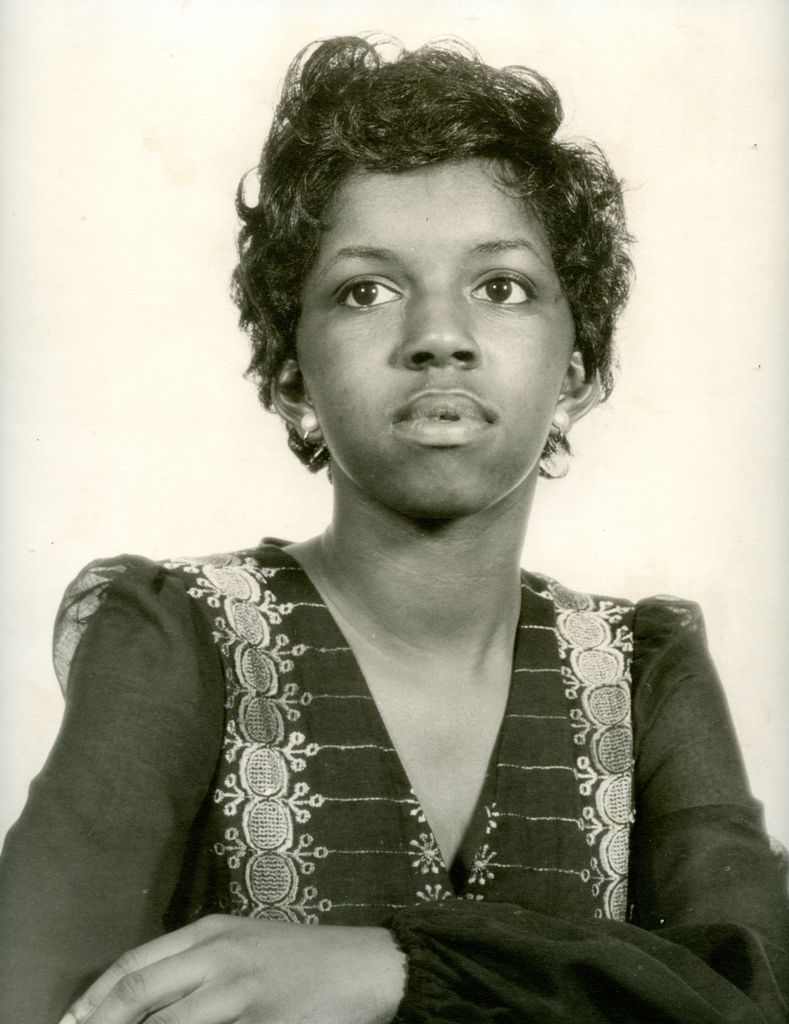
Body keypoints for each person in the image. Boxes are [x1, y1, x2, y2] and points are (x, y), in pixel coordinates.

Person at [0, 34, 787, 1024]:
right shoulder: (176, 636)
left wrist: (394, 968)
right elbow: (33, 999)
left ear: (577, 373)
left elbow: (752, 996)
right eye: (366, 290)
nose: (438, 337)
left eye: (501, 287)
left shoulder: (642, 669)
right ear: (291, 380)